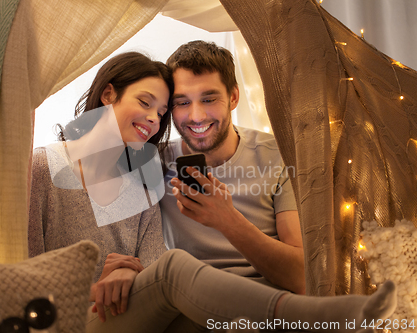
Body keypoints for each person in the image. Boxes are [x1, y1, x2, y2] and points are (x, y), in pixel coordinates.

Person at [28, 51, 398, 333]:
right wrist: (99, 282)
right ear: (109, 94)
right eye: (173, 105)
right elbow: (16, 266)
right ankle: (314, 318)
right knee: (176, 272)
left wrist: (131, 276)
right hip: (69, 316)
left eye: (160, 112)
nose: (158, 121)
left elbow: (150, 266)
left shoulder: (142, 179)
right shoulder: (48, 169)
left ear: (234, 97)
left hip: (177, 308)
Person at [160, 40, 305, 294]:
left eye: (209, 99)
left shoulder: (278, 156)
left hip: (271, 300)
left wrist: (227, 220)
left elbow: (301, 278)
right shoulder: (154, 163)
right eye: (182, 102)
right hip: (190, 301)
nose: (196, 116)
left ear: (233, 97)